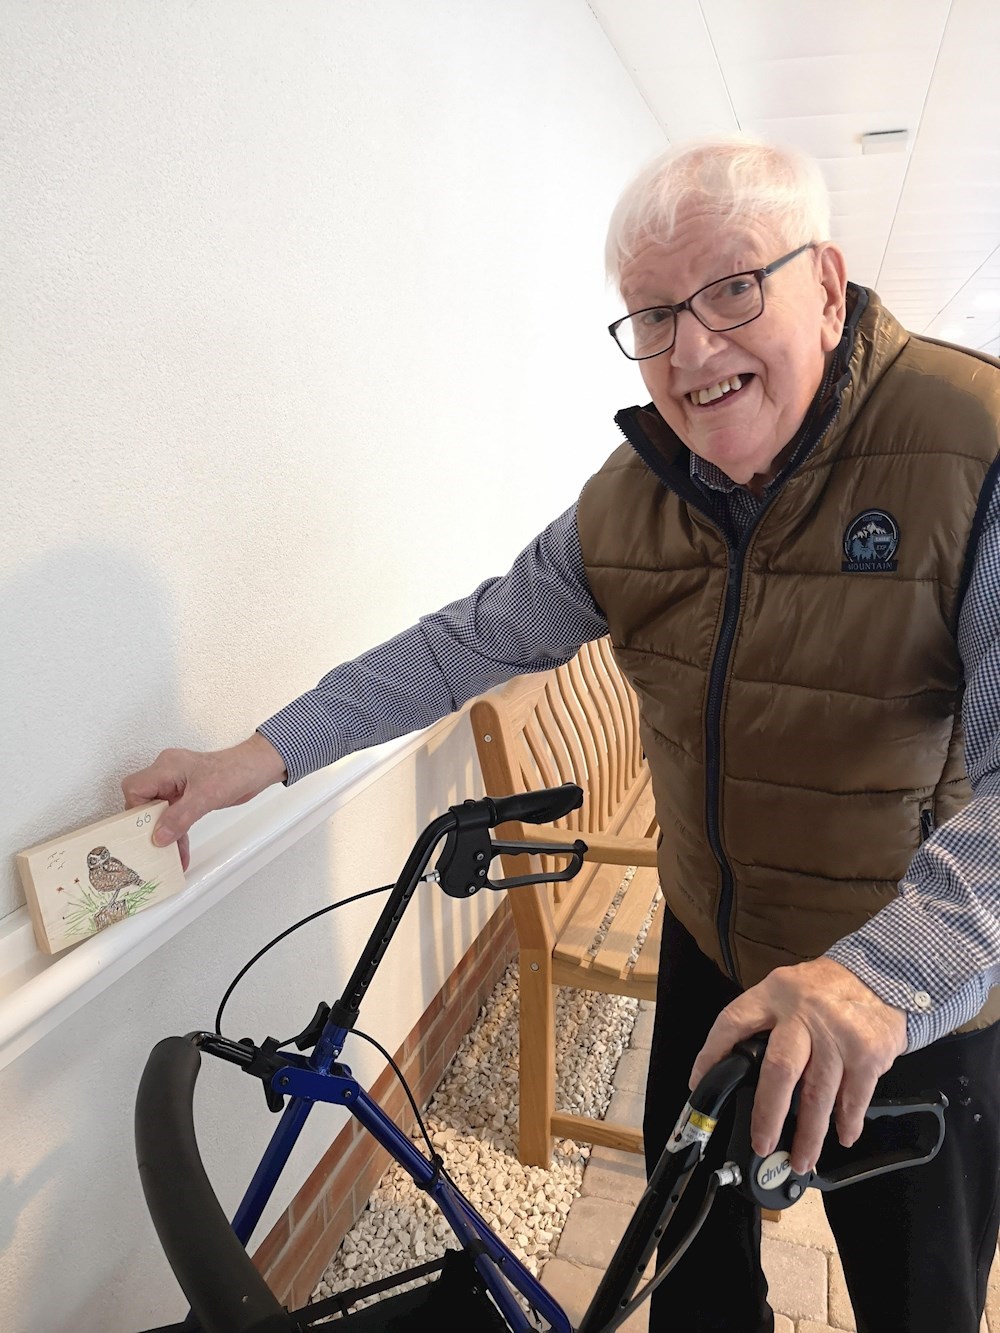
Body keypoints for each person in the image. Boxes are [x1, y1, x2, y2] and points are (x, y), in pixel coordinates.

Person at [123, 138, 1000, 1332]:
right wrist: (251, 758)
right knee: (688, 1273)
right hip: (708, 946)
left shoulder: (971, 447)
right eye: (651, 314)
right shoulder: (631, 504)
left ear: (829, 283)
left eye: (734, 287)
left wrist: (881, 977)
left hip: (901, 1006)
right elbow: (457, 646)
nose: (692, 349)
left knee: (916, 1300)